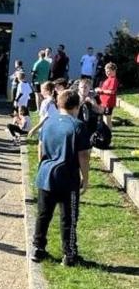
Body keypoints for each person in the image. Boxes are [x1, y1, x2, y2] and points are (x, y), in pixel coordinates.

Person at [31, 90, 91, 267]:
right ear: (77, 106)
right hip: (67, 178)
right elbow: (83, 155)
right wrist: (85, 177)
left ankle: (38, 248)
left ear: (58, 104)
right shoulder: (78, 126)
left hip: (46, 174)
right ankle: (69, 253)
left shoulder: (48, 122)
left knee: (43, 214)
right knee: (69, 217)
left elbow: (40, 147)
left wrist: (42, 165)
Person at [95, 62, 118, 129]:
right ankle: (106, 132)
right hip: (105, 103)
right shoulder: (109, 79)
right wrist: (99, 89)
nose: (107, 73)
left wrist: (100, 90)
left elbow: (111, 91)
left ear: (114, 71)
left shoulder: (113, 80)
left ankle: (108, 132)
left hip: (108, 103)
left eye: (108, 71)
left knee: (107, 119)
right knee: (105, 118)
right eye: (106, 71)